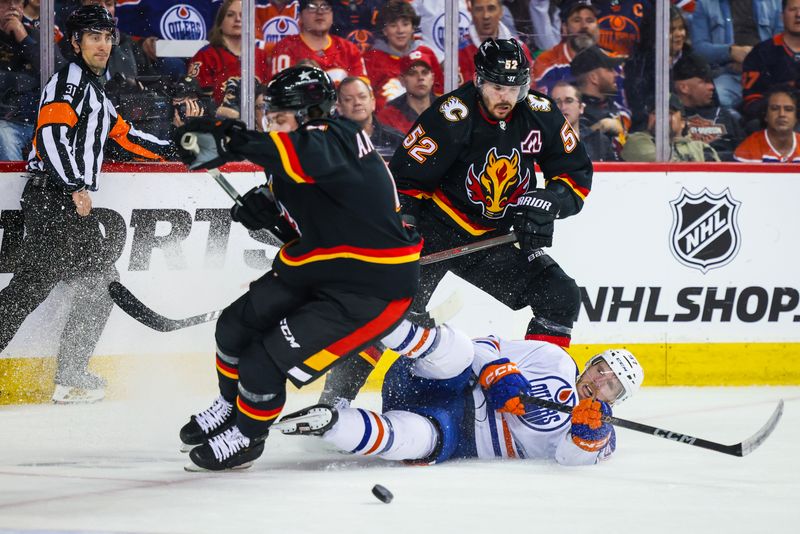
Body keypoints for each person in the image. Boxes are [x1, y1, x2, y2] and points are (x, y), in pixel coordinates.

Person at [319, 38, 592, 407]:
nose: (506, 97)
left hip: (497, 238)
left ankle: (538, 392)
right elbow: (403, 182)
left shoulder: (540, 112)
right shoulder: (450, 116)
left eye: (514, 88)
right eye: (497, 86)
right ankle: (334, 402)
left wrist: (550, 201)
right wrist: (405, 232)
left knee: (560, 296)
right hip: (437, 231)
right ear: (478, 80)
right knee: (390, 311)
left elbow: (574, 175)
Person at [173, 65, 422, 472]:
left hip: (369, 291)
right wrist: (266, 208)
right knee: (234, 327)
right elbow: (304, 206)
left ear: (310, 113)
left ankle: (248, 438)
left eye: (281, 112)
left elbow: (306, 155)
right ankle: (230, 405)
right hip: (323, 269)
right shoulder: (302, 149)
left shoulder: (336, 138)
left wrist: (228, 137)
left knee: (262, 361)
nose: (271, 119)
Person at [0, 5, 175, 403]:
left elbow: (127, 137)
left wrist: (180, 149)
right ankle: (71, 374)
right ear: (75, 42)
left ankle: (71, 374)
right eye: (93, 37)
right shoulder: (70, 83)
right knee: (39, 287)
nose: (103, 45)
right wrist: (75, 184)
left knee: (85, 284)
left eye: (107, 37)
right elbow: (50, 137)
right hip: (54, 196)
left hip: (59, 198)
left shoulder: (94, 92)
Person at [276, 319, 644, 466]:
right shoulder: (554, 359)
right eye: (600, 369)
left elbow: (571, 461)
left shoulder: (600, 437)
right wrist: (498, 372)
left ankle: (333, 424)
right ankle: (386, 320)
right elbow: (484, 344)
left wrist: (589, 433)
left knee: (420, 441)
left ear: (615, 400)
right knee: (460, 351)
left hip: (454, 431)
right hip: (433, 377)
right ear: (591, 364)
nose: (598, 381)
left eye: (610, 384)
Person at [0, 0, 65, 161]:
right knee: (4, 135)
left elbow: (61, 73)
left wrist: (25, 40)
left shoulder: (36, 36)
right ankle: (12, 186)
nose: (13, 7)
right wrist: (25, 81)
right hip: (5, 120)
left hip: (39, 120)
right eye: (6, 2)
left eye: (18, 2)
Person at [691, 0, 783, 109]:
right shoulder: (704, 4)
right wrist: (731, 52)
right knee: (718, 97)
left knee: (783, 102)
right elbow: (699, 50)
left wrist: (751, 63)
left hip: (766, 73)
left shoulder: (775, 3)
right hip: (726, 74)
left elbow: (782, 44)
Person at [187, 0, 270, 119]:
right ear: (220, 22)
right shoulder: (205, 55)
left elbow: (268, 97)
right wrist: (224, 112)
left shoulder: (260, 55)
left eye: (243, 15)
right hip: (217, 124)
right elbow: (196, 101)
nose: (238, 19)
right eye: (230, 15)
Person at [362, 0, 442, 112]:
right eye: (393, 25)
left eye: (405, 24)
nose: (400, 31)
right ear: (385, 30)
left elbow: (440, 94)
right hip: (386, 124)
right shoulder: (371, 58)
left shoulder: (426, 54)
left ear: (413, 28)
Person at [266, 0, 367, 85]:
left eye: (326, 7)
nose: (320, 12)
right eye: (312, 7)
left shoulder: (349, 49)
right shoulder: (286, 47)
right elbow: (280, 93)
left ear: (332, 15)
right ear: (300, 16)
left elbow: (363, 92)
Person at [672, 52, 744, 161]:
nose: (712, 87)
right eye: (704, 82)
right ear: (684, 88)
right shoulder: (669, 118)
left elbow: (743, 156)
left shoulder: (726, 116)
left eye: (711, 81)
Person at [741, 0, 800, 130]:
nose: (798, 14)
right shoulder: (761, 52)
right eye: (793, 9)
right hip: (773, 121)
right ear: (782, 16)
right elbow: (751, 102)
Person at [621, 94, 720, 162]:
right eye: (655, 113)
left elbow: (717, 177)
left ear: (682, 122)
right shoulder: (637, 141)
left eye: (669, 113)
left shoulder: (700, 147)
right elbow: (664, 169)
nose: (661, 117)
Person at [457, 0, 533, 86]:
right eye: (479, 9)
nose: (486, 16)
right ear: (471, 11)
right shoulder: (459, 51)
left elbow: (529, 90)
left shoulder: (519, 50)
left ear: (501, 11)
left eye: (491, 8)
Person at [571, 44, 629, 149]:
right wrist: (598, 128)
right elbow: (565, 148)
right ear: (594, 78)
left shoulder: (611, 106)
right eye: (610, 69)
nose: (616, 74)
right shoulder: (571, 110)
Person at [336, 76, 405, 156]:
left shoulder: (397, 140)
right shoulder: (330, 143)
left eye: (362, 97)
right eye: (348, 99)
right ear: (339, 108)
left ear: (373, 103)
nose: (357, 102)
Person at [551, 80, 617, 161]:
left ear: (581, 108)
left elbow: (616, 172)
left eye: (569, 100)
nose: (562, 107)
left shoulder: (599, 142)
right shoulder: (539, 143)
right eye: (556, 102)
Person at [377, 49, 438, 134]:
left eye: (424, 72)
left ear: (432, 78)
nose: (420, 78)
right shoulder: (388, 117)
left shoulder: (445, 108)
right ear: (402, 80)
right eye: (413, 73)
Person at [734, 88, 800, 162]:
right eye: (775, 109)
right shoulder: (748, 148)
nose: (782, 114)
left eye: (788, 109)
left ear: (796, 117)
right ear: (765, 115)